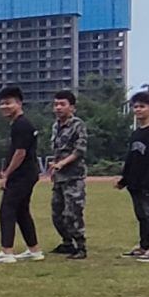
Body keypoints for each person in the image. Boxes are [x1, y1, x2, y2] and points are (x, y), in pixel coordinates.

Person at [0, 86, 45, 264]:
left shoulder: (21, 125)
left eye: (8, 103)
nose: (4, 107)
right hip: (27, 173)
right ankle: (34, 250)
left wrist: (7, 174)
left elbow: (20, 153)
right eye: (2, 104)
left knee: (7, 210)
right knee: (21, 211)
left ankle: (7, 252)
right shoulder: (19, 124)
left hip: (22, 175)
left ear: (19, 103)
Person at [117, 90, 149, 262]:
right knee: (142, 216)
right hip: (135, 184)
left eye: (142, 106)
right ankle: (144, 246)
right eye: (135, 106)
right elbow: (131, 159)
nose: (138, 109)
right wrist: (124, 179)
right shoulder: (136, 133)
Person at [47, 90, 89, 260]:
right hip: (59, 177)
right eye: (56, 104)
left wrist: (62, 164)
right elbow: (57, 150)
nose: (58, 107)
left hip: (74, 177)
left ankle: (81, 246)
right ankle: (67, 243)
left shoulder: (78, 125)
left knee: (72, 213)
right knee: (57, 214)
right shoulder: (55, 126)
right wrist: (54, 166)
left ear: (72, 107)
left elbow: (80, 150)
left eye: (62, 104)